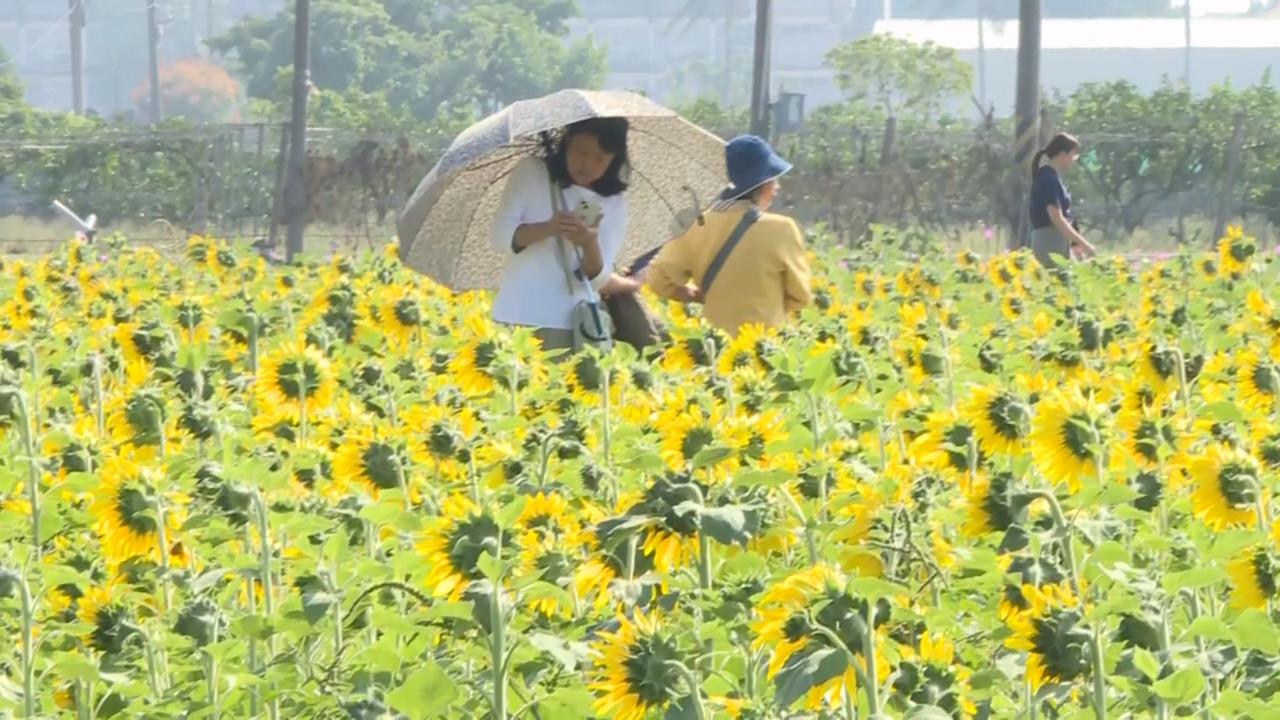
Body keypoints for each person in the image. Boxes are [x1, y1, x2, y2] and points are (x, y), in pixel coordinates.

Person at [489, 118, 640, 350]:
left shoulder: (612, 202)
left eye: (600, 159)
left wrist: (589, 243)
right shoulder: (532, 172)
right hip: (516, 312)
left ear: (614, 160)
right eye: (581, 152)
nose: (587, 165)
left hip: (569, 323)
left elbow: (598, 278)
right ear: (567, 141)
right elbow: (500, 237)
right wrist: (549, 228)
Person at [646, 135, 812, 336]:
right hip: (766, 348)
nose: (777, 188)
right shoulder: (782, 229)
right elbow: (801, 296)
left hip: (717, 348)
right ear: (763, 185)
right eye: (774, 180)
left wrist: (695, 294)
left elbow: (657, 281)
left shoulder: (695, 225)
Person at [1029, 133, 1097, 270]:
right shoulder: (1048, 178)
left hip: (1056, 242)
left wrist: (1074, 245)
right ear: (1062, 154)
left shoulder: (1052, 177)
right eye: (1073, 154)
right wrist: (1085, 245)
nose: (1074, 159)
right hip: (1049, 242)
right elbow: (1056, 217)